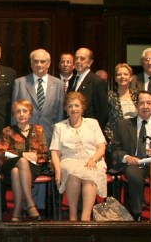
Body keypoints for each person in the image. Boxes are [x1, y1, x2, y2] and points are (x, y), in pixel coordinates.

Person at [111, 91, 151, 221]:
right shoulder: (123, 125)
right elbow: (115, 149)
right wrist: (127, 158)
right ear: (136, 105)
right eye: (141, 103)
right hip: (134, 161)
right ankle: (137, 212)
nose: (145, 106)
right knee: (134, 176)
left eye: (149, 103)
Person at [50, 91, 107, 221]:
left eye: (77, 105)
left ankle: (85, 217)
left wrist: (93, 159)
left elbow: (101, 147)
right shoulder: (59, 127)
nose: (74, 109)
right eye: (70, 106)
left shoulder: (92, 123)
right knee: (72, 174)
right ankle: (72, 216)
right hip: (69, 159)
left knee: (90, 173)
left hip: (92, 159)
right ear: (66, 109)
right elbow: (55, 152)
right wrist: (58, 171)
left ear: (82, 108)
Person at [0, 99, 49, 221]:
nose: (21, 114)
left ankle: (17, 210)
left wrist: (35, 157)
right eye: (18, 112)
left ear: (30, 114)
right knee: (21, 162)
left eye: (25, 111)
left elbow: (44, 153)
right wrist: (23, 154)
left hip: (33, 167)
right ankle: (30, 204)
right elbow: (1, 153)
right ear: (14, 115)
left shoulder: (38, 130)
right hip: (9, 165)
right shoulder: (8, 131)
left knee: (16, 171)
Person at [11, 49, 64, 144]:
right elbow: (14, 113)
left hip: (50, 136)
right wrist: (14, 135)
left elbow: (60, 114)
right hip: (24, 137)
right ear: (31, 64)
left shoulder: (58, 84)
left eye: (42, 61)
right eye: (36, 61)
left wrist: (58, 137)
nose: (39, 64)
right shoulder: (19, 83)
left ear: (48, 64)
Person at [71, 48, 109, 130]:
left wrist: (94, 130)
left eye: (82, 58)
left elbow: (103, 113)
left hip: (89, 130)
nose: (78, 61)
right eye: (76, 58)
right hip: (72, 128)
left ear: (90, 62)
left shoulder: (97, 82)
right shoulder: (72, 80)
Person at [105, 63, 139, 141]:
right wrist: (111, 137)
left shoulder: (137, 95)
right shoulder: (109, 96)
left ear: (130, 78)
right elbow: (105, 120)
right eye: (119, 74)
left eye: (125, 74)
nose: (122, 77)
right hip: (116, 138)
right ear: (116, 79)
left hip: (135, 137)